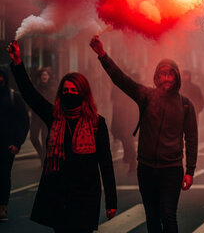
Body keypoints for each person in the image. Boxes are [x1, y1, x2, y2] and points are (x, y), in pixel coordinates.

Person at [90, 36, 197, 233]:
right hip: (146, 168)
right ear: (156, 77)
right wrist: (103, 55)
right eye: (162, 74)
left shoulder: (185, 104)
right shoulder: (146, 96)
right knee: (152, 216)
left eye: (170, 74)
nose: (166, 78)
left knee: (168, 214)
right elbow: (121, 80)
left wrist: (190, 170)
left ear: (176, 77)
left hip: (171, 170)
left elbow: (191, 138)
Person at [7, 41, 117, 232]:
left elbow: (106, 163)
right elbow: (30, 94)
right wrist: (17, 63)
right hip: (59, 194)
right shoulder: (54, 115)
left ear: (83, 94)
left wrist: (111, 201)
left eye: (74, 91)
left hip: (86, 194)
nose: (69, 94)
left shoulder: (97, 123)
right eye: (66, 91)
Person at [0, 65, 29, 222]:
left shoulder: (13, 97)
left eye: (2, 76)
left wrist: (17, 144)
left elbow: (24, 122)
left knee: (4, 177)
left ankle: (2, 207)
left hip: (7, 146)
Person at [110, 82, 138, 173]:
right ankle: (129, 157)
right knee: (125, 137)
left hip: (126, 119)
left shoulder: (124, 94)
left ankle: (132, 161)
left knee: (127, 138)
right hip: (122, 118)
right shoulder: (119, 89)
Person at [31, 67, 55, 165]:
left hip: (46, 118)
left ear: (49, 77)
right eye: (42, 75)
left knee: (45, 140)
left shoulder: (52, 89)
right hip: (36, 118)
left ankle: (44, 161)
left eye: (46, 75)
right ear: (40, 77)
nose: (44, 77)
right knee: (33, 137)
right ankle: (42, 155)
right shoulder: (36, 88)